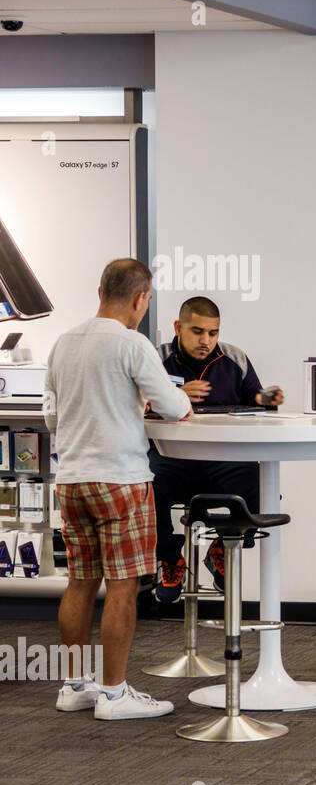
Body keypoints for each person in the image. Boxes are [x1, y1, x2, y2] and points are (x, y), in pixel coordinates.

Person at [44, 258, 192, 720]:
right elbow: (175, 406)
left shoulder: (64, 343)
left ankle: (74, 686)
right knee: (123, 587)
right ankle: (113, 694)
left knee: (80, 583)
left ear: (100, 290)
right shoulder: (133, 344)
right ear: (140, 299)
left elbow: (51, 416)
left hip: (71, 480)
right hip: (121, 481)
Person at [150, 296, 283, 603]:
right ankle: (170, 558)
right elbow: (134, 404)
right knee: (146, 482)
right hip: (172, 459)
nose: (205, 341)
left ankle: (222, 547)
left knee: (262, 483)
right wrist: (175, 395)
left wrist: (266, 399)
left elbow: (256, 399)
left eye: (213, 333)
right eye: (197, 332)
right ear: (178, 327)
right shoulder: (155, 359)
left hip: (223, 461)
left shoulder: (234, 358)